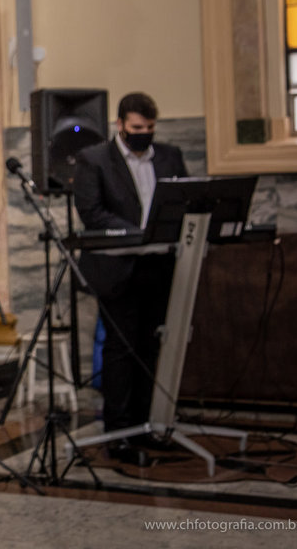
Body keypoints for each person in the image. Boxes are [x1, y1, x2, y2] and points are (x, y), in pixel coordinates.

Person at [73, 92, 187, 462]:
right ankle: (118, 432)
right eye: (137, 127)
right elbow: (92, 213)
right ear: (120, 124)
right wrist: (141, 232)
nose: (144, 134)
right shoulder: (94, 160)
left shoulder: (169, 156)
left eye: (150, 127)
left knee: (151, 345)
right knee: (120, 349)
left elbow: (184, 200)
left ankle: (147, 425)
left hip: (159, 264)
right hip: (117, 267)